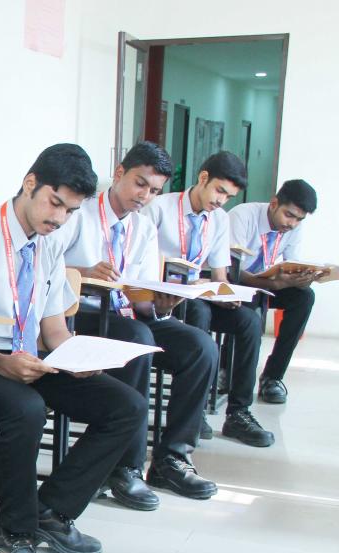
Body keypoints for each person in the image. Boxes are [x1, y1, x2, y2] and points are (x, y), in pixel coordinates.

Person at [0, 143, 145, 553]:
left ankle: (51, 510)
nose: (60, 218)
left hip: (25, 360)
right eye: (55, 203)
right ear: (30, 184)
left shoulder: (49, 244)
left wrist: (77, 359)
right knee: (25, 409)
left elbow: (54, 330)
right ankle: (12, 532)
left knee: (126, 407)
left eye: (72, 211)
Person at [64, 142, 218, 504]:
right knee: (137, 337)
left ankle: (171, 458)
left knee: (201, 347)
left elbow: (141, 295)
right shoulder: (79, 213)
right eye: (140, 184)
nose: (145, 196)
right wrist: (83, 273)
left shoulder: (144, 227)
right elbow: (45, 266)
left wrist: (161, 303)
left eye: (154, 191)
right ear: (119, 173)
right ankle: (125, 466)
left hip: (126, 314)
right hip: (79, 314)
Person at [142, 150, 274, 447]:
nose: (221, 201)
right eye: (219, 191)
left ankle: (239, 412)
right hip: (164, 295)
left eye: (228, 197)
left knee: (249, 322)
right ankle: (196, 410)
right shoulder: (159, 208)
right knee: (198, 313)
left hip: (198, 293)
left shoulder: (219, 220)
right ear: (203, 178)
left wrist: (226, 294)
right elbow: (142, 265)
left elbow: (220, 274)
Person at [229, 179, 319, 404]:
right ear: (274, 203)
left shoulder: (293, 228)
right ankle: (228, 371)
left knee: (304, 298)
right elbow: (230, 269)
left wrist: (302, 280)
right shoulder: (243, 216)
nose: (292, 224)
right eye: (289, 215)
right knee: (251, 300)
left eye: (299, 219)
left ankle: (272, 377)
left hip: (266, 283)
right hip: (235, 283)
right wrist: (270, 284)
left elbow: (292, 263)